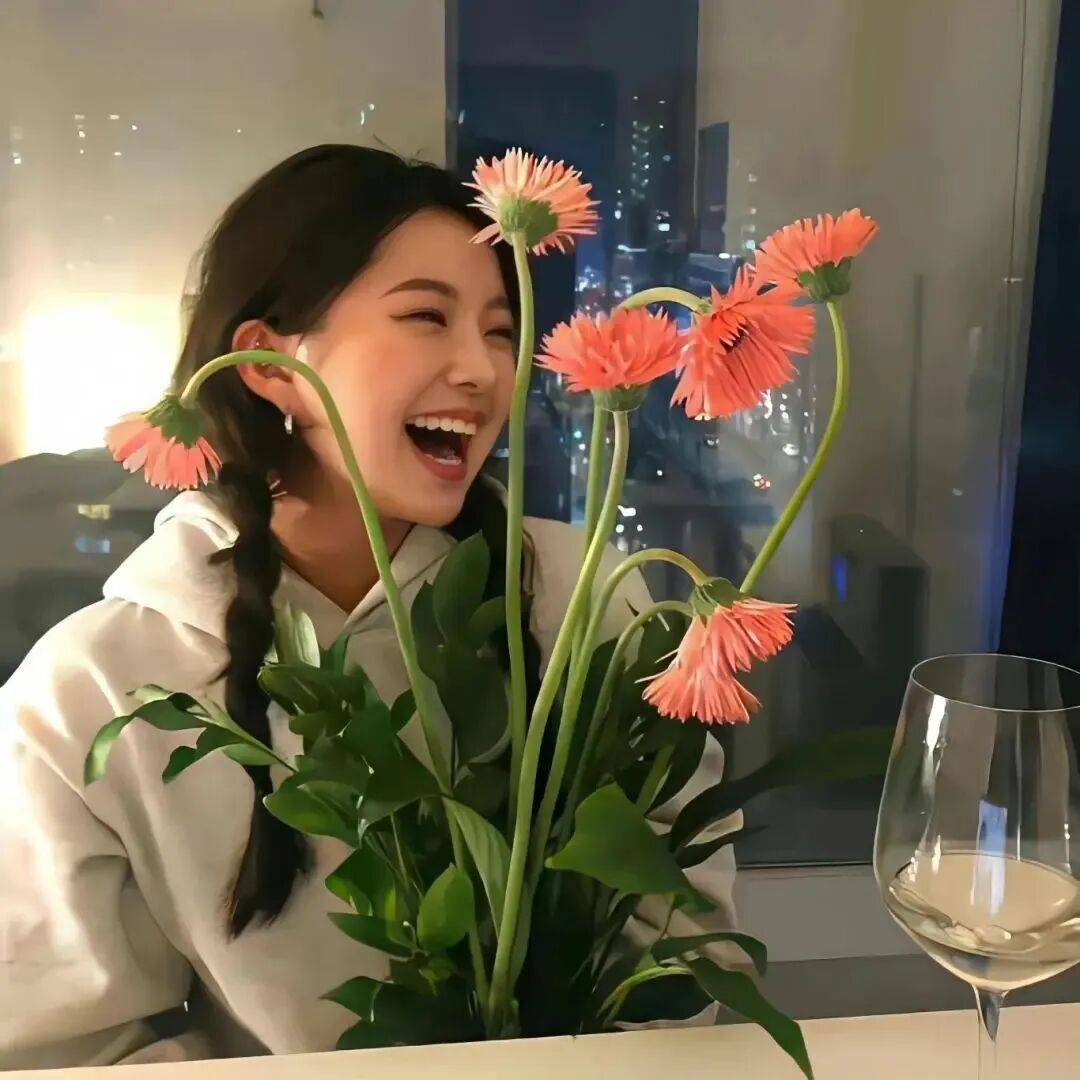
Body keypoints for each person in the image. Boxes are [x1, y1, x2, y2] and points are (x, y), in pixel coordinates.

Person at [0, 145, 735, 1068]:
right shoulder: (93, 687)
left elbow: (680, 944)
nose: (483, 370)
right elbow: (66, 1046)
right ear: (271, 365)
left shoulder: (586, 597)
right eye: (427, 315)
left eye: (502, 330)